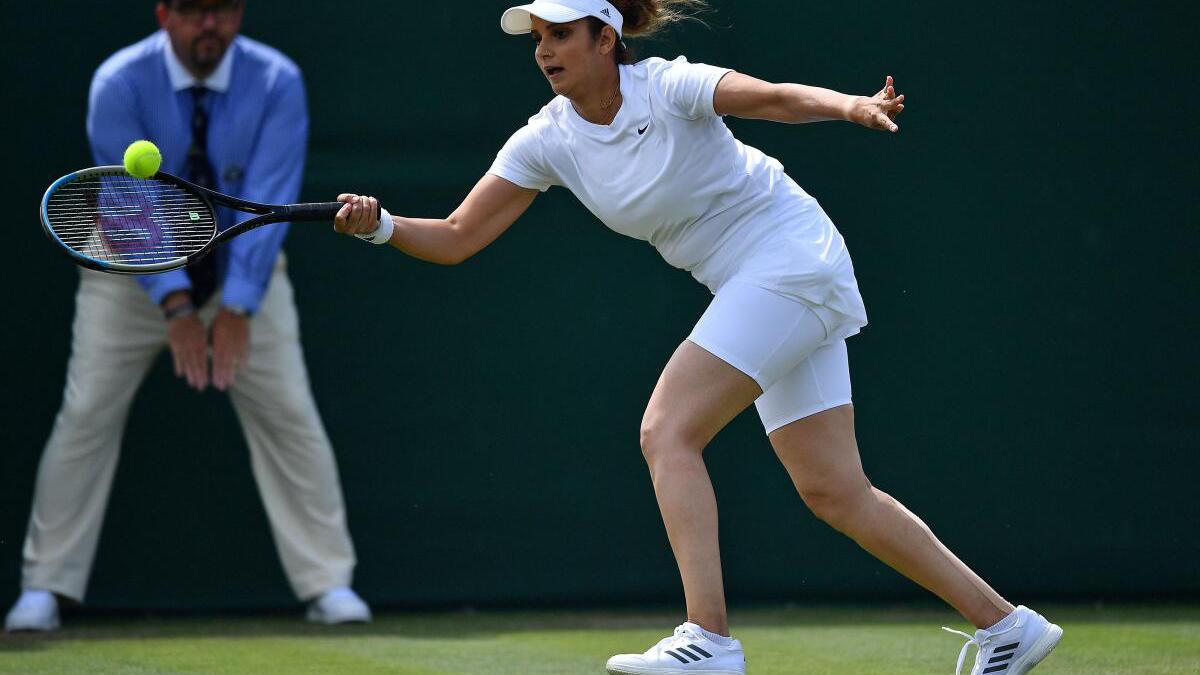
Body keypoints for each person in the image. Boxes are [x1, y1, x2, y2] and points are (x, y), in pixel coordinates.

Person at [335, 1, 1062, 673]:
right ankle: (1007, 626)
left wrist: (851, 106)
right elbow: (460, 235)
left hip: (788, 255)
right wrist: (384, 227)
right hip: (762, 280)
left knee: (666, 429)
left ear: (606, 37)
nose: (545, 52)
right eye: (538, 40)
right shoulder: (546, 139)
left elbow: (772, 97)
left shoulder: (668, 86)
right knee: (836, 490)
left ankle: (708, 637)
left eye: (560, 34)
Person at [5, 0, 370, 632]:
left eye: (224, 10)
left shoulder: (277, 80)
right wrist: (175, 304)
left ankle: (329, 584)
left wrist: (237, 305)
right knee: (86, 411)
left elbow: (272, 196)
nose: (211, 26)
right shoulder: (118, 83)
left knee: (290, 413)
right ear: (164, 14)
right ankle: (45, 587)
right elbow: (126, 202)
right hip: (128, 272)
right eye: (196, 10)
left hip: (243, 272)